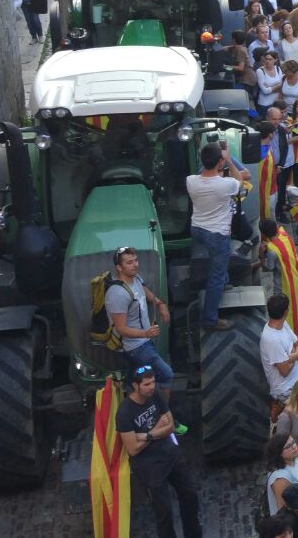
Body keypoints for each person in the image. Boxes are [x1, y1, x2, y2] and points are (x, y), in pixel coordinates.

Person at [118, 364, 201, 538]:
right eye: (147, 384)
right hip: (149, 466)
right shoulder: (125, 412)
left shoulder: (155, 395)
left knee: (190, 495)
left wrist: (146, 435)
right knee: (164, 513)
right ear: (135, 385)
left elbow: (170, 426)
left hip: (170, 453)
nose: (152, 387)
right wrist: (157, 430)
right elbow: (132, 449)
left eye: (153, 382)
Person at [187, 142, 248, 331]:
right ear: (220, 162)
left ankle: (225, 282)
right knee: (215, 275)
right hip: (217, 234)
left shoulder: (190, 180)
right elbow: (241, 181)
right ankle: (210, 320)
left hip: (197, 228)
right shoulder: (226, 184)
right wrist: (229, 159)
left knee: (220, 265)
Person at [106, 246, 174, 400]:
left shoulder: (135, 279)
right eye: (129, 262)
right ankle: (163, 414)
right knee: (166, 375)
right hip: (136, 347)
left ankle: (138, 415)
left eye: (135, 260)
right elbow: (121, 328)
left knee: (134, 382)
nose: (135, 265)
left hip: (143, 343)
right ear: (119, 267)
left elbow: (143, 290)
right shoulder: (117, 294)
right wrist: (146, 333)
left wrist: (160, 304)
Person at [261, 293, 298, 412]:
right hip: (286, 390)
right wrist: (294, 354)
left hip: (297, 377)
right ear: (286, 312)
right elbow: (284, 371)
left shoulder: (283, 324)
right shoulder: (272, 340)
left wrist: (292, 356)